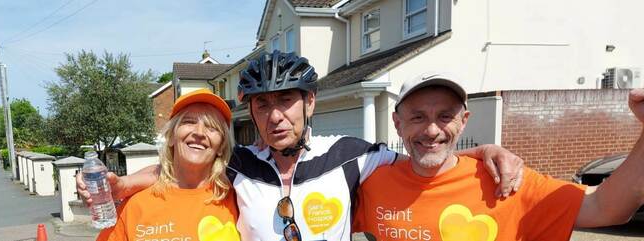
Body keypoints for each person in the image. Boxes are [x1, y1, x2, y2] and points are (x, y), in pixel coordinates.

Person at [79, 51, 524, 241]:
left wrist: (484, 152)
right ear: (251, 113)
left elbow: (425, 157)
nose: (276, 116)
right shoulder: (239, 163)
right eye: (264, 105)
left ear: (309, 102)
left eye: (287, 101)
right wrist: (121, 183)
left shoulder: (351, 154)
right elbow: (180, 169)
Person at [352, 72, 644, 240]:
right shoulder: (372, 181)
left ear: (463, 121)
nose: (432, 130)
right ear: (397, 123)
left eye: (445, 116)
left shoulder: (506, 181)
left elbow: (607, 208)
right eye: (417, 117)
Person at [96, 89, 240, 241]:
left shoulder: (239, 199)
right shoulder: (135, 205)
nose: (199, 132)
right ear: (171, 137)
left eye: (212, 127)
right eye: (189, 122)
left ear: (221, 146)